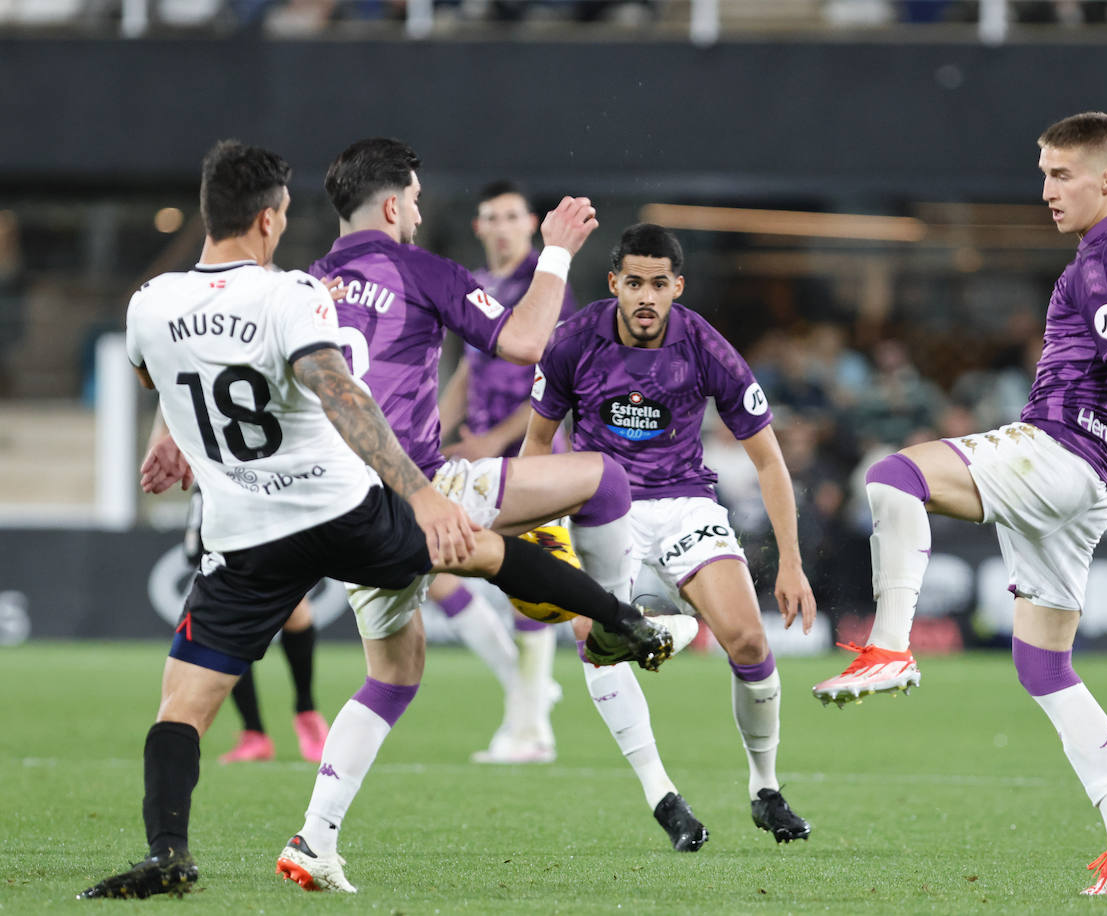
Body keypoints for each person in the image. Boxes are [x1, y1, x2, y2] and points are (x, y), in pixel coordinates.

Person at [79, 140, 681, 901]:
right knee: (484, 546)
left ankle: (172, 853)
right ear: (270, 219)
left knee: (186, 706)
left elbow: (161, 371)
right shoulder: (297, 293)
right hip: (345, 503)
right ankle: (620, 617)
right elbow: (344, 392)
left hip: (245, 537)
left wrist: (172, 439)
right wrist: (555, 256)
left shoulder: (153, 303)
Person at [811, 112, 1107, 895]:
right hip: (1086, 484)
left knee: (892, 476)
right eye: (1043, 172)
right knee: (1043, 665)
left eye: (1062, 175)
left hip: (1057, 453)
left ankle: (890, 645)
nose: (1046, 190)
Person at [280, 139, 696, 892]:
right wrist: (558, 253)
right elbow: (525, 342)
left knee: (395, 673)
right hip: (418, 490)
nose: (417, 206)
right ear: (393, 205)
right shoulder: (420, 270)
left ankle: (314, 837)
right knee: (603, 482)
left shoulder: (304, 286)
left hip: (339, 509)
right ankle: (612, 621)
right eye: (413, 194)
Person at [524, 223, 817, 851]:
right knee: (592, 639)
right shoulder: (573, 341)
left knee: (746, 638)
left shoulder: (705, 346)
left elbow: (768, 460)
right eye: (635, 283)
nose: (647, 297)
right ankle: (663, 796)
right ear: (614, 284)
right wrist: (542, 538)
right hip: (602, 504)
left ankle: (765, 790)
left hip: (685, 502)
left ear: (677, 286)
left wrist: (790, 562)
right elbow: (535, 448)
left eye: (660, 284)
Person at [429, 180, 583, 765]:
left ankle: (531, 732)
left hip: (533, 455)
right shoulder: (476, 285)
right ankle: (529, 695)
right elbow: (467, 373)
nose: (500, 226)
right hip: (478, 455)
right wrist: (432, 433)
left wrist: (492, 439)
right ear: (479, 227)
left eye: (510, 216)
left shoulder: (547, 288)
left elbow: (555, 384)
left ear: (531, 223)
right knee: (428, 568)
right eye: (490, 216)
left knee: (531, 584)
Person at [179, 483, 331, 763]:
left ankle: (307, 713)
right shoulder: (210, 471)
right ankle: (254, 732)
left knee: (297, 610)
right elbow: (193, 543)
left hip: (277, 528)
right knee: (231, 628)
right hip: (233, 553)